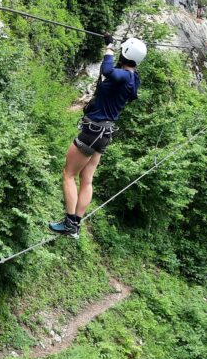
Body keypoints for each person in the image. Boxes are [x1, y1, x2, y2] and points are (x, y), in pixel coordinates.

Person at [49, 34, 146, 239]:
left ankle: (69, 224)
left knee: (68, 173)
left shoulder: (124, 76)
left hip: (93, 131)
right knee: (87, 179)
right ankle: (75, 224)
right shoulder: (134, 78)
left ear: (125, 54)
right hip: (105, 133)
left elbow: (107, 70)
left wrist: (109, 47)